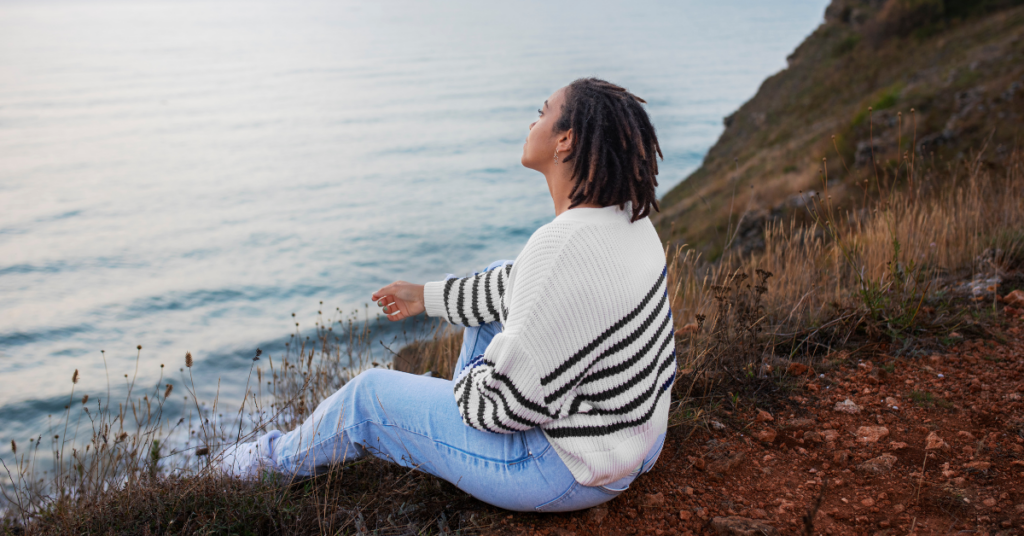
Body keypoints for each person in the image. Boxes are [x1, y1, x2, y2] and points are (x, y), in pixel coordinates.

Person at [220, 78, 676, 512]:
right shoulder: (627, 220)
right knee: (501, 278)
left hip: (564, 472)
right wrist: (428, 297)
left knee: (370, 396)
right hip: (633, 442)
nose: (531, 122)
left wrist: (456, 392)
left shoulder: (559, 248)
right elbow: (516, 284)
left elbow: (501, 407)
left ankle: (265, 465)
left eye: (542, 113)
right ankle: (452, 422)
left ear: (566, 141)